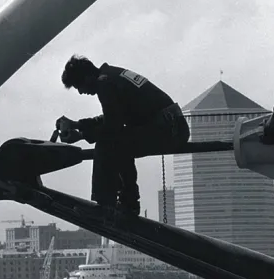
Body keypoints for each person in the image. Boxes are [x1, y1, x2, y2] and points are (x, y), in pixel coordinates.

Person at [56, 55, 189, 216]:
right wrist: (78, 125)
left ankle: (107, 203)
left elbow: (113, 126)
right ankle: (127, 200)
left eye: (79, 86)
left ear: (87, 77)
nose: (81, 92)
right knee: (118, 141)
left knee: (109, 143)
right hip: (171, 127)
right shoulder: (111, 76)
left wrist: (82, 135)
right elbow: (113, 117)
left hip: (168, 130)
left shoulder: (104, 83)